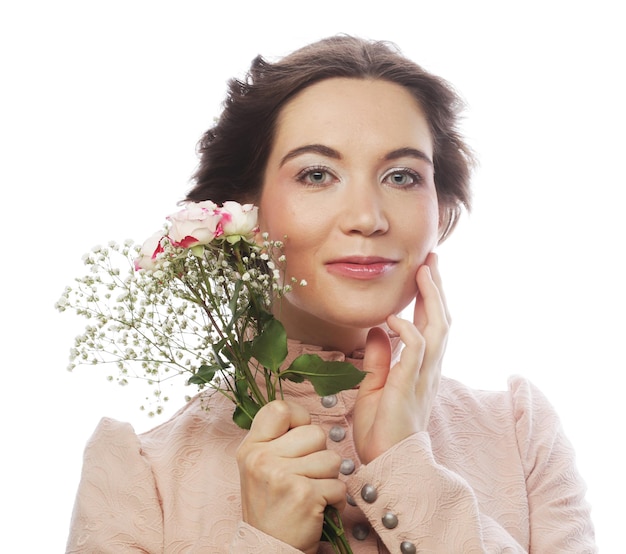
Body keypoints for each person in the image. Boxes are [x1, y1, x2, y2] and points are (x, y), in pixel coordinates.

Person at [66, 35, 597, 553]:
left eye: (403, 176)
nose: (368, 217)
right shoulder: (140, 476)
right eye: (317, 174)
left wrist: (405, 467)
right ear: (244, 209)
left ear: (442, 207)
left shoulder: (521, 438)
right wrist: (266, 543)